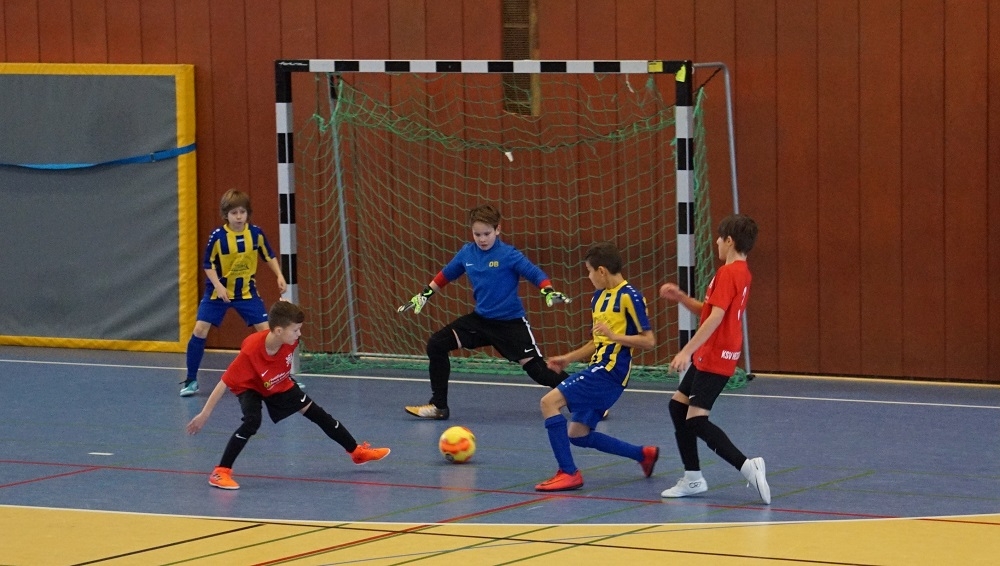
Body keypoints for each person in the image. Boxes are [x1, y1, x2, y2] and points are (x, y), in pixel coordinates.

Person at [185, 301, 390, 490]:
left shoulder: (291, 341)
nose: (299, 334)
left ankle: (357, 452)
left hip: (278, 383)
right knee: (252, 421)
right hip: (250, 386)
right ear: (278, 330)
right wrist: (204, 414)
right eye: (295, 330)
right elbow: (224, 382)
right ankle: (221, 472)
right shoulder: (251, 352)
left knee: (318, 414)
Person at [399, 204, 571, 420]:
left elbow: (535, 274)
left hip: (510, 324)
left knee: (539, 372)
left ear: (498, 229)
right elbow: (445, 275)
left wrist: (548, 291)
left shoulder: (509, 254)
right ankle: (438, 406)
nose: (482, 239)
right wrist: (424, 295)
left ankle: (587, 398)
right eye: (477, 234)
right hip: (480, 321)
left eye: (487, 234)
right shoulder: (467, 253)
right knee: (436, 344)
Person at [658, 214, 770, 504]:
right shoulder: (741, 272)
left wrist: (686, 351)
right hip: (716, 352)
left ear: (729, 241)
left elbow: (715, 318)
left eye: (720, 238)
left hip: (715, 353)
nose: (717, 242)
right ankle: (693, 478)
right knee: (677, 407)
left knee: (696, 420)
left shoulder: (727, 273)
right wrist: (682, 297)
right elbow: (710, 311)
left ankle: (747, 466)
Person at [535, 242, 659, 492]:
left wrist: (615, 336)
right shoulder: (598, 298)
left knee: (548, 403)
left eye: (589, 272)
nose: (589, 277)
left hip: (611, 372)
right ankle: (642, 455)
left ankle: (568, 473)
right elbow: (596, 342)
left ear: (601, 271)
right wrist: (568, 358)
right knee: (578, 434)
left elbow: (649, 341)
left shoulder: (630, 296)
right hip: (598, 368)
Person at [180, 189, 287, 397]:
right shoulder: (218, 237)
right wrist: (219, 287)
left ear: (248, 213)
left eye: (242, 212)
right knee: (200, 329)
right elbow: (208, 265)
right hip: (217, 294)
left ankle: (279, 377)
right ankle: (191, 379)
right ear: (226, 215)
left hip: (246, 292)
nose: (238, 217)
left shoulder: (255, 234)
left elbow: (269, 255)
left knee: (268, 333)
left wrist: (279, 275)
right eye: (234, 213)